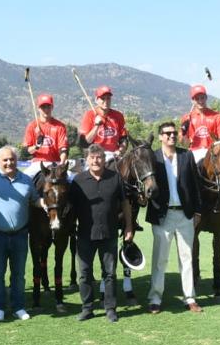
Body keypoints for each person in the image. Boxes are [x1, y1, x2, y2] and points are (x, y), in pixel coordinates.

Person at [69, 144, 134, 322]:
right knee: (84, 273)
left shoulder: (115, 178)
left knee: (110, 273)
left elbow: (125, 203)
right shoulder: (78, 181)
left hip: (109, 233)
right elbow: (70, 207)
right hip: (84, 235)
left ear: (104, 160)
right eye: (92, 157)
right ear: (87, 160)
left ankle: (110, 308)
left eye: (99, 157)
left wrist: (129, 226)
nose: (96, 161)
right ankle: (87, 308)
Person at [146, 121, 203, 314]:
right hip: (163, 215)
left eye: (174, 133)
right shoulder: (153, 157)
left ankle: (190, 297)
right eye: (167, 133)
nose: (171, 136)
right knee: (160, 260)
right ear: (160, 136)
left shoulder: (187, 155)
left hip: (185, 214)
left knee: (186, 258)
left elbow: (196, 185)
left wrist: (197, 212)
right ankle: (155, 298)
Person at [0, 145, 45, 322]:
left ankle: (18, 307)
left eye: (12, 159)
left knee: (18, 274)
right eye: (5, 160)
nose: (9, 162)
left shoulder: (26, 180)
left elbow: (35, 200)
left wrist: (48, 203)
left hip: (20, 235)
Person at [180, 84, 220, 228]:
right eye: (197, 98)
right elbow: (183, 142)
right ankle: (186, 210)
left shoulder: (217, 116)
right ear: (193, 100)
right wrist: (183, 131)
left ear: (206, 98)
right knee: (183, 179)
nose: (200, 100)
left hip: (213, 152)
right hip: (194, 152)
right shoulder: (187, 117)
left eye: (202, 97)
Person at [23, 93, 69, 177]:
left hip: (56, 162)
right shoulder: (32, 126)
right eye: (43, 107)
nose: (46, 109)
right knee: (24, 179)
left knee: (71, 179)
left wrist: (62, 163)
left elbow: (63, 149)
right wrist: (37, 146)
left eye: (48, 106)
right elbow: (27, 150)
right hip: (37, 163)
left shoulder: (60, 126)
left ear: (52, 107)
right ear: (38, 108)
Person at [79, 86, 128, 161]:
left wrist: (120, 151)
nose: (106, 101)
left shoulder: (118, 116)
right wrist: (96, 125)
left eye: (108, 98)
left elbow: (123, 140)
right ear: (96, 100)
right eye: (103, 98)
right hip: (95, 156)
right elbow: (85, 143)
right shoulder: (89, 115)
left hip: (114, 156)